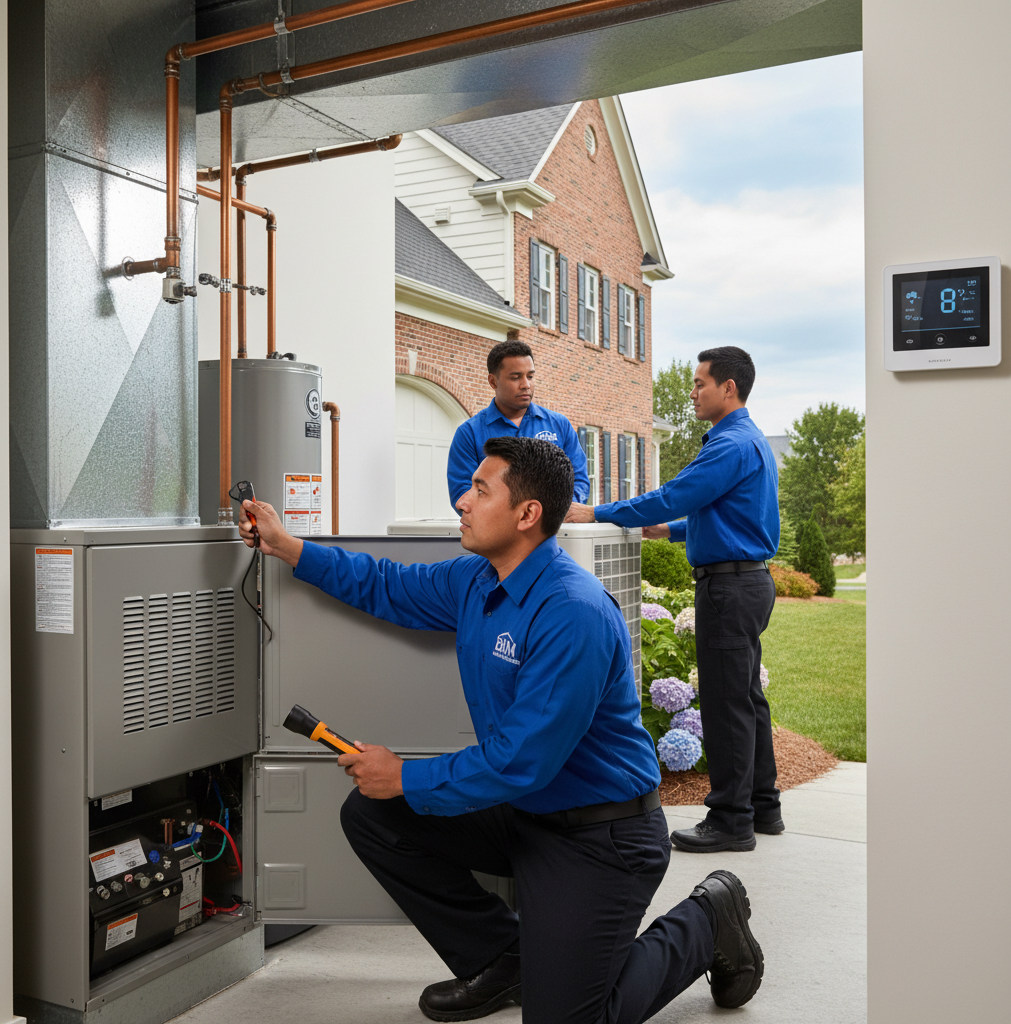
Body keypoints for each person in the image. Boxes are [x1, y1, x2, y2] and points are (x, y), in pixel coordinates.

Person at [240, 437, 764, 1024]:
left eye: (479, 491)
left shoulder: (572, 611)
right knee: (374, 814)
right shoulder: (476, 580)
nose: (462, 502)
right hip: (526, 814)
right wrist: (288, 546)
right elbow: (386, 584)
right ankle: (504, 957)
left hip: (601, 835)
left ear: (527, 513)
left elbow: (522, 759)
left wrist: (406, 776)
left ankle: (707, 920)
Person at [565, 346, 781, 854]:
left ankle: (731, 821)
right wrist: (675, 531)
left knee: (726, 705)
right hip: (749, 582)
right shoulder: (750, 439)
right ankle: (763, 806)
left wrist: (597, 512)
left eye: (700, 383)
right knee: (747, 698)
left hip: (728, 589)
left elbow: (674, 495)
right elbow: (733, 514)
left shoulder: (729, 444)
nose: (692, 392)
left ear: (728, 387)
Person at [446, 339, 589, 509]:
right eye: (515, 377)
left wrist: (555, 515)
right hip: (496, 527)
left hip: (555, 525)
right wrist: (516, 519)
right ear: (493, 382)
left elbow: (578, 480)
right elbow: (463, 494)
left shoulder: (560, 425)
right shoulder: (469, 433)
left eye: (530, 376)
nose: (526, 385)